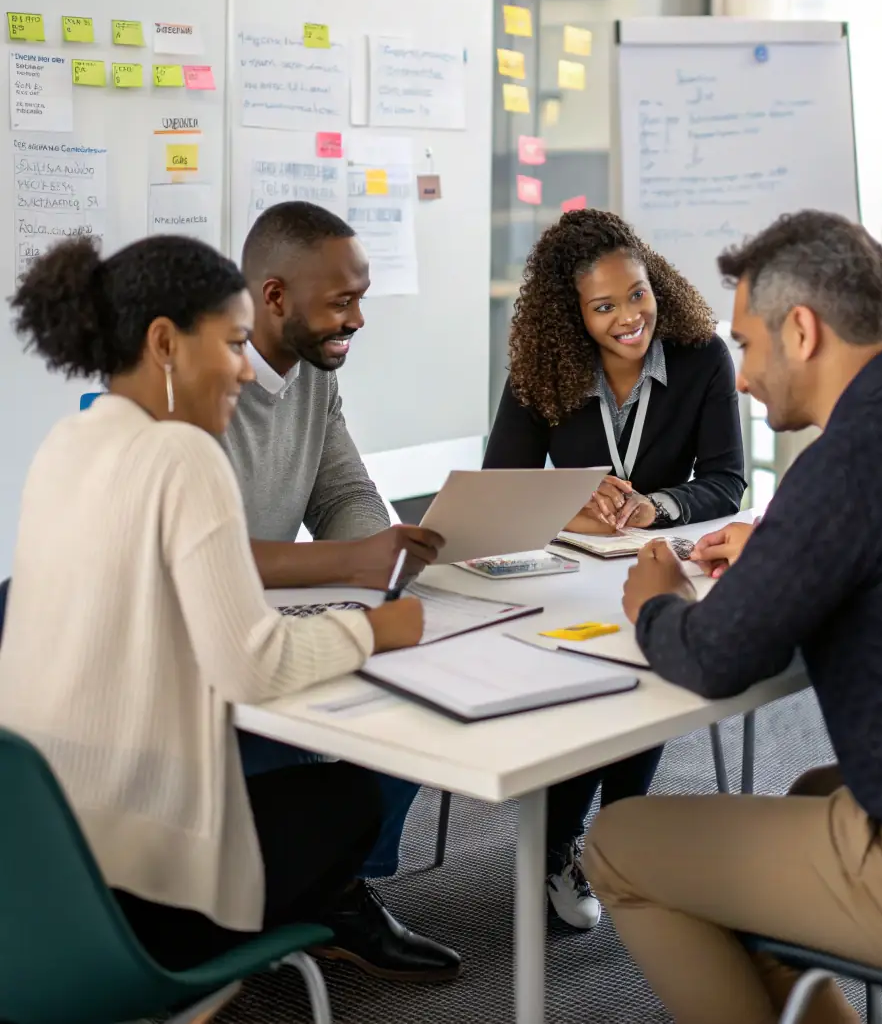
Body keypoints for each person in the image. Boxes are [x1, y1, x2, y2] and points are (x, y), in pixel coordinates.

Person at [583, 210, 882, 1024]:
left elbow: (715, 656)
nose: (741, 377)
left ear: (803, 330)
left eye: (747, 345)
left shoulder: (847, 461)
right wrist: (783, 545)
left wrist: (654, 604)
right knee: (806, 791)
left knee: (619, 842)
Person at [0, 234, 429, 999]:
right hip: (138, 903)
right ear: (164, 341)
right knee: (349, 798)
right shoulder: (183, 455)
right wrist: (373, 629)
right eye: (231, 343)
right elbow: (251, 665)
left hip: (35, 873)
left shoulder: (68, 440)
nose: (243, 367)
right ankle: (211, 971)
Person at [484, 209, 745, 930]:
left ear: (653, 278)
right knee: (585, 675)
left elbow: (726, 479)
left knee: (647, 660)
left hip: (653, 559)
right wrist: (574, 506)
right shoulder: (544, 368)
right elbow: (503, 482)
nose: (630, 317)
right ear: (573, 316)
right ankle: (560, 842)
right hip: (564, 572)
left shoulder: (700, 357)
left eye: (637, 293)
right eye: (604, 306)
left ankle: (619, 836)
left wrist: (655, 506)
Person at [222, 202, 459, 981]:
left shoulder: (312, 379)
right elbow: (196, 555)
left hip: (284, 609)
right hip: (208, 640)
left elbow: (344, 488)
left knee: (426, 688)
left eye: (361, 296)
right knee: (306, 723)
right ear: (276, 296)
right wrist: (351, 561)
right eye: (343, 301)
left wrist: (382, 556)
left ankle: (332, 889)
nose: (358, 318)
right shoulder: (198, 382)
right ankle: (278, 892)